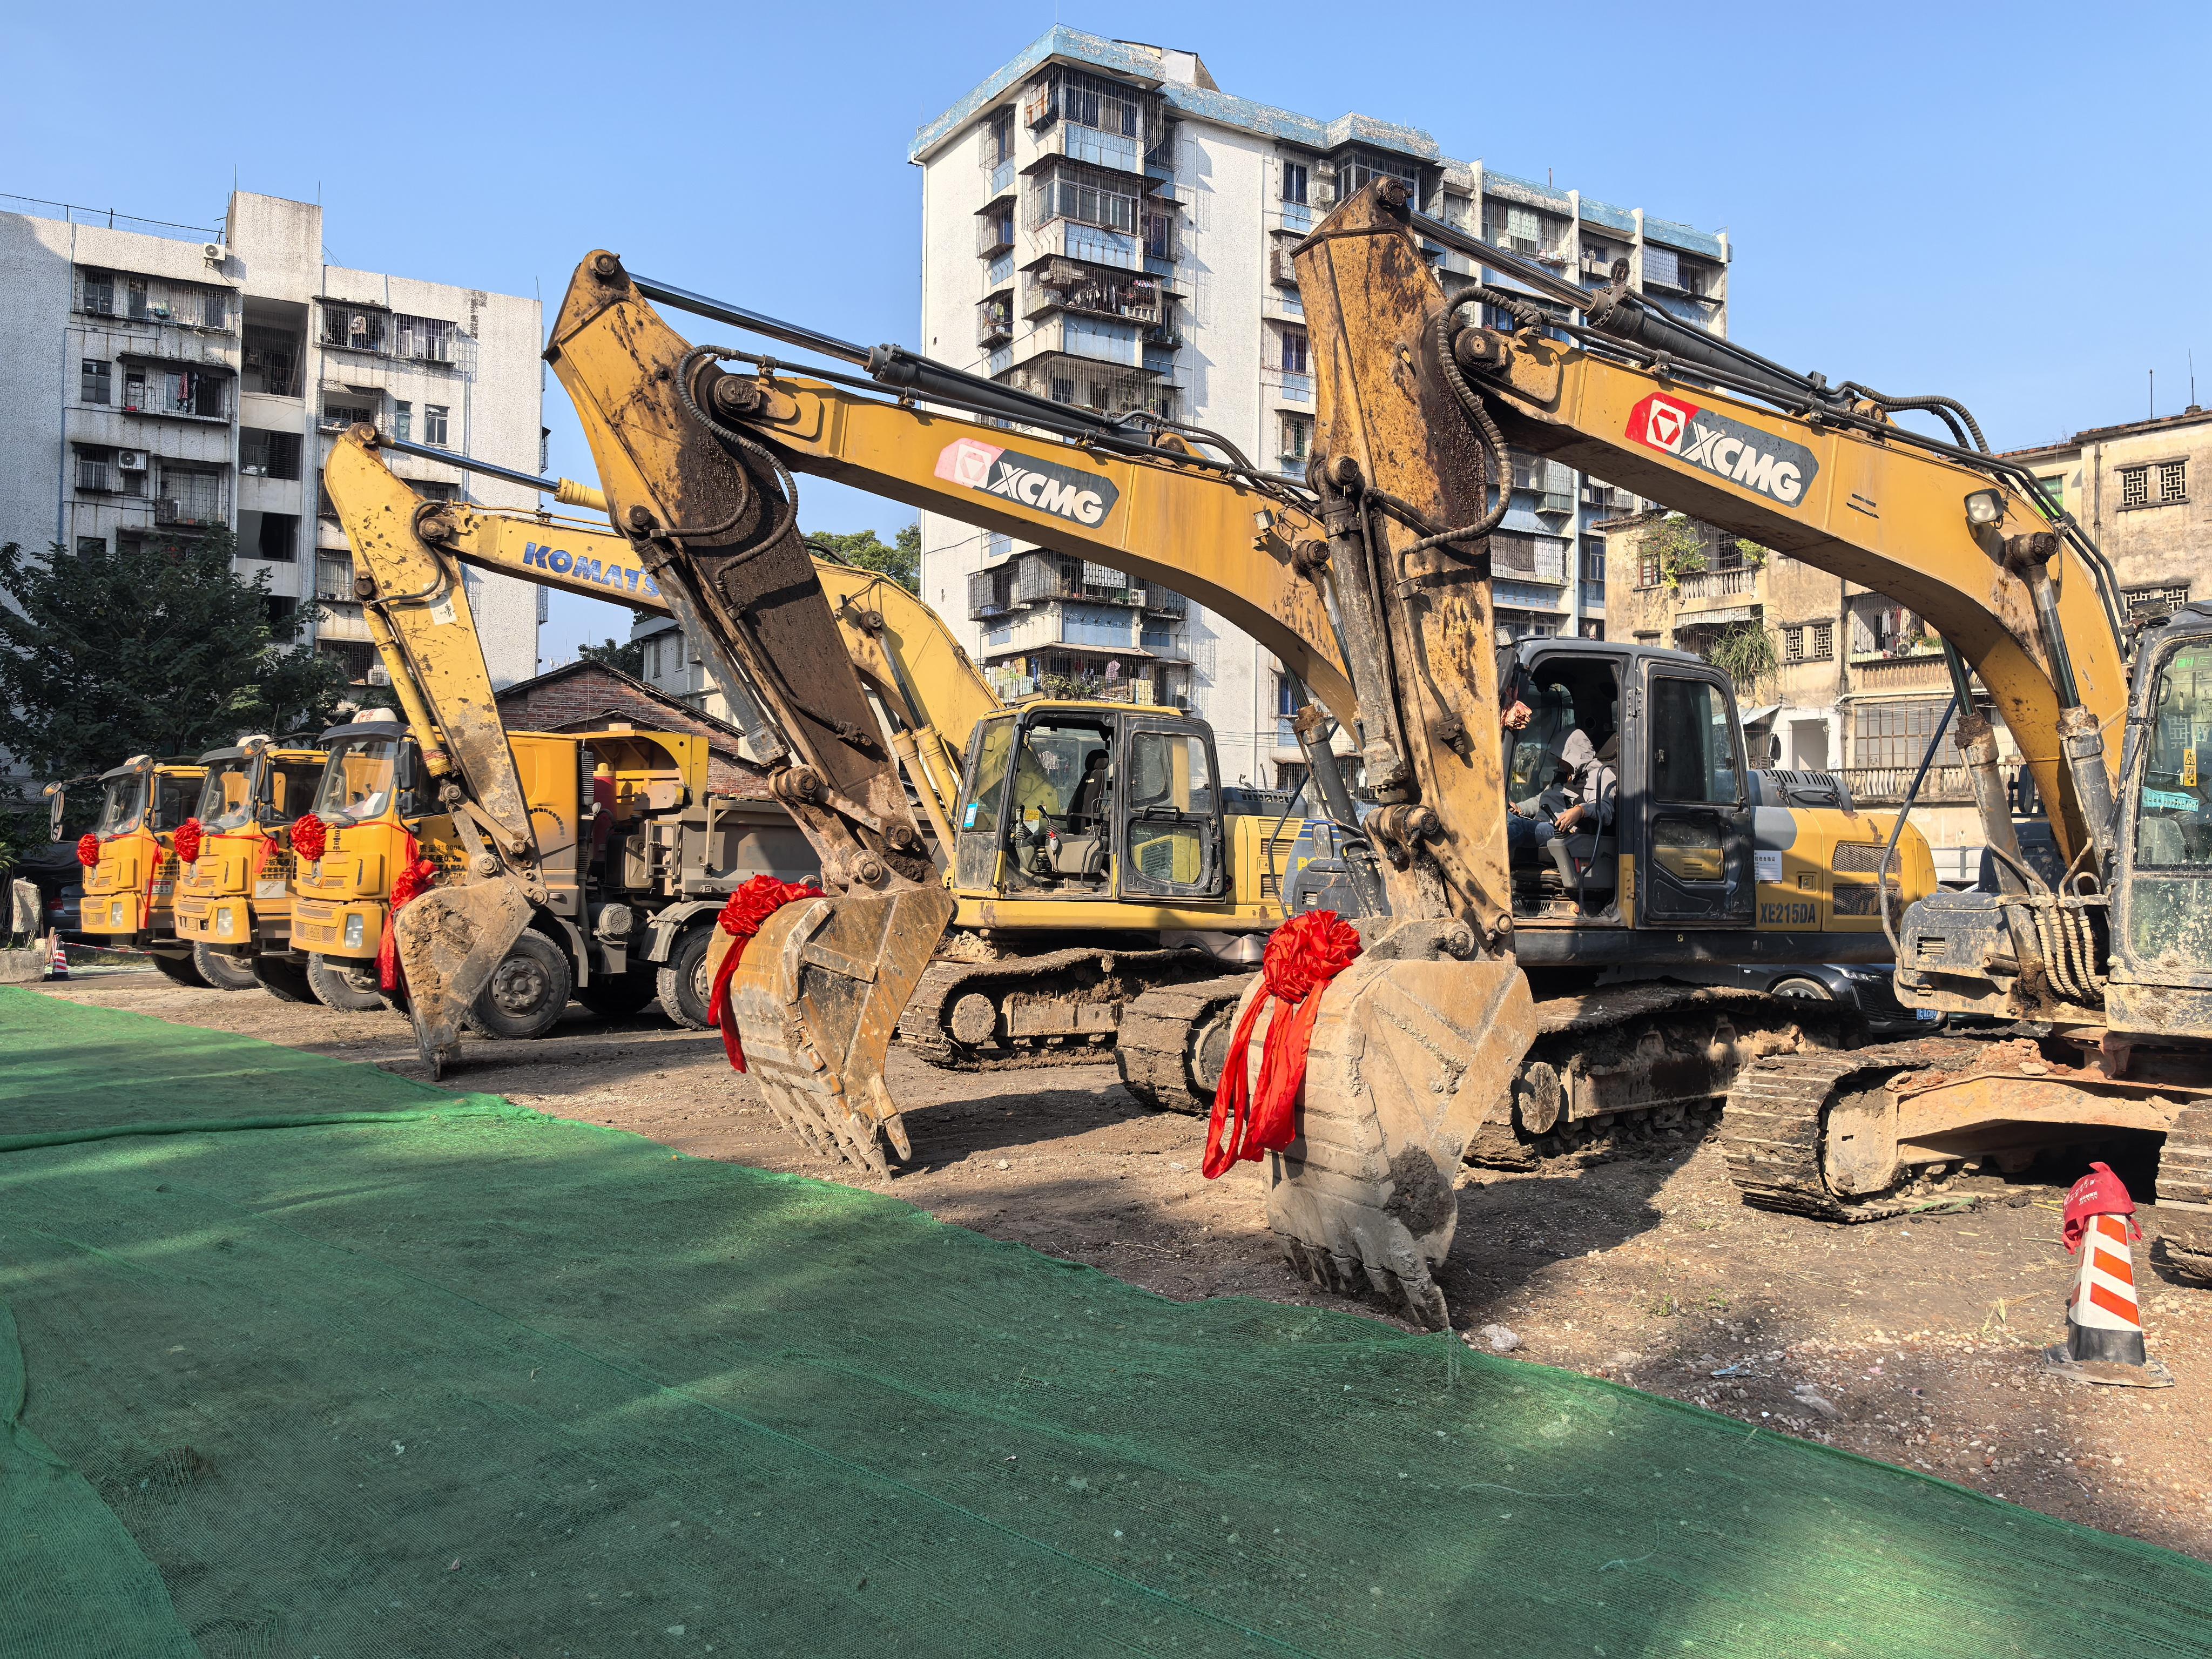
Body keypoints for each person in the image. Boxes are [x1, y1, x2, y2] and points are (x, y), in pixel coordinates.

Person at [1508, 728, 1617, 889]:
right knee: (1504, 817)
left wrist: (1580, 811)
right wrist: (1520, 808)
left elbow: (1604, 810)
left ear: (1573, 754)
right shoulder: (1563, 775)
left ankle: (1487, 864)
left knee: (1518, 827)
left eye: (1561, 758)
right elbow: (1541, 799)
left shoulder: (1601, 775)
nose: (1559, 762)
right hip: (1541, 823)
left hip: (1563, 832)